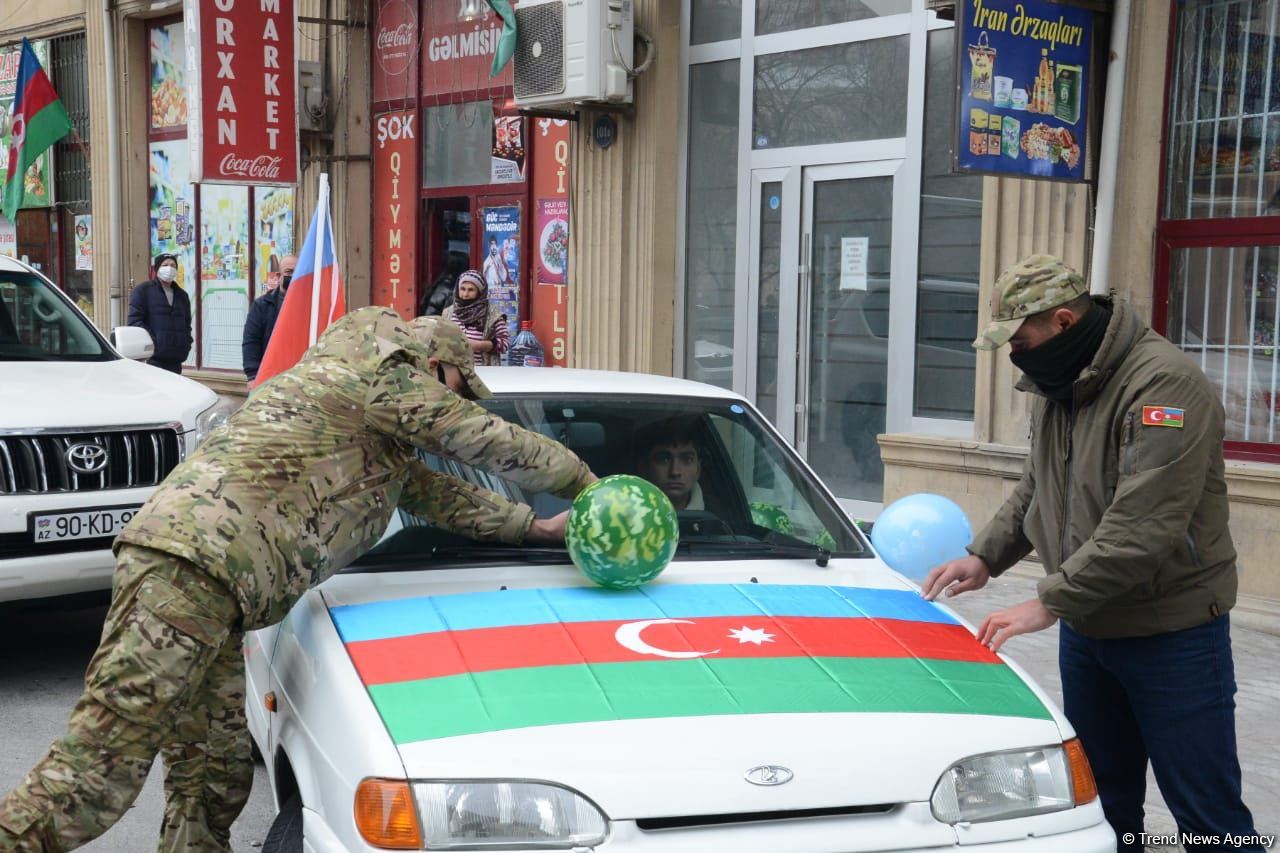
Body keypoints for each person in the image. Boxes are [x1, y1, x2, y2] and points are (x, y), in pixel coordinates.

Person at [0, 307, 597, 852]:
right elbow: (478, 437)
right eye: (458, 390)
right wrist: (586, 483)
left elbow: (444, 496)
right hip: (185, 569)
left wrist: (538, 527)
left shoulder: (364, 433)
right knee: (95, 777)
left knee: (211, 771)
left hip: (217, 590)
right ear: (434, 366)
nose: (456, 403)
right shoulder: (376, 367)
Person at [920, 255, 1262, 853]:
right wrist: (985, 556)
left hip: (1170, 635)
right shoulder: (1060, 382)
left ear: (1062, 322)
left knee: (1207, 815)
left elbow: (1144, 524)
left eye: (1020, 341)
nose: (1015, 356)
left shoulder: (1165, 387)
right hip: (1088, 630)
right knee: (1103, 806)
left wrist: (1048, 601)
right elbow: (1038, 486)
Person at [127, 252, 192, 374]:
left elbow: (187, 324)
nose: (169, 268)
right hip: (153, 360)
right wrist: (154, 342)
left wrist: (186, 343)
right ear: (157, 268)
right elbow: (135, 321)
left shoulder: (182, 295)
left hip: (176, 359)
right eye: (165, 265)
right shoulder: (143, 291)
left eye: (173, 265)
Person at [241, 253, 298, 383]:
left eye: (297, 271)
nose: (293, 276)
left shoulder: (311, 305)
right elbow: (251, 341)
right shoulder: (262, 305)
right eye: (289, 272)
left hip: (301, 377)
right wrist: (252, 376)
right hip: (270, 378)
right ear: (278, 276)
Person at [634, 417, 704, 511]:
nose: (675, 472)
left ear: (698, 470)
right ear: (643, 468)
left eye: (687, 460)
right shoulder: (626, 512)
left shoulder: (719, 515)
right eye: (663, 460)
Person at [442, 269, 510, 366]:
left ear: (480, 292)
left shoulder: (493, 315)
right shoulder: (448, 313)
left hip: (483, 371)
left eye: (471, 290)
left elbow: (505, 343)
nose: (465, 294)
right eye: (462, 289)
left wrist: (481, 345)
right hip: (453, 369)